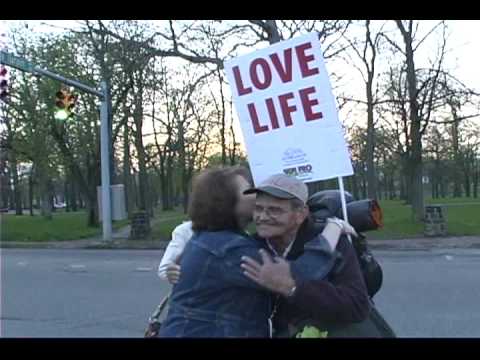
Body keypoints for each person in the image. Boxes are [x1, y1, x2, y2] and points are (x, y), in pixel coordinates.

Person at [158, 166, 341, 338]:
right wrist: (333, 229)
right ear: (225, 201)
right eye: (248, 190)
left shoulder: (213, 239)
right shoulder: (228, 249)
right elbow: (302, 274)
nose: (256, 194)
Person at [240, 173, 371, 337]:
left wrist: (293, 288)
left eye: (274, 210)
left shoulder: (334, 241)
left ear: (300, 214)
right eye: (258, 208)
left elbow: (357, 305)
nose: (262, 217)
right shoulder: (251, 246)